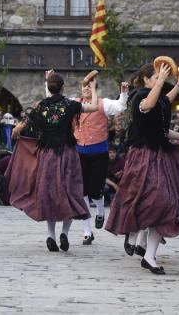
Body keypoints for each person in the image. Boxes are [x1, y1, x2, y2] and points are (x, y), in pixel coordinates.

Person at [104, 62, 179, 274]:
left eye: (158, 78)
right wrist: (161, 80)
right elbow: (149, 105)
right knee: (150, 200)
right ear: (146, 79)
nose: (158, 80)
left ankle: (149, 256)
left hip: (161, 156)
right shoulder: (139, 98)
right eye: (154, 77)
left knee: (167, 204)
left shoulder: (160, 99)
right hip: (143, 156)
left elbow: (164, 123)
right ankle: (135, 233)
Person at [7, 70, 99, 254]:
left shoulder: (41, 106)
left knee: (48, 193)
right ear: (63, 87)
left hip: (47, 155)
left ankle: (51, 235)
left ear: (48, 88)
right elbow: (94, 107)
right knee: (70, 192)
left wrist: (16, 130)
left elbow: (24, 124)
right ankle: (65, 232)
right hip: (68, 154)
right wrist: (94, 88)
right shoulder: (70, 105)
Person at [73, 73, 128, 245]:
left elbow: (120, 107)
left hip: (99, 152)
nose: (86, 89)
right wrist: (48, 83)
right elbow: (55, 101)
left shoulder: (103, 103)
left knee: (95, 190)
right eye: (84, 87)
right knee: (82, 191)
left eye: (90, 87)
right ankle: (87, 232)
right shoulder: (75, 103)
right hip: (79, 152)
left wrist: (124, 93)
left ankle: (100, 211)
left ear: (95, 89)